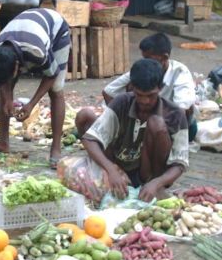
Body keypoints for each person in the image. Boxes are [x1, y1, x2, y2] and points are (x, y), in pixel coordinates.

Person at [70, 59, 188, 202]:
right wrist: (111, 170)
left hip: (148, 173)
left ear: (161, 88)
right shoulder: (122, 102)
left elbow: (180, 164)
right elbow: (90, 139)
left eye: (150, 95)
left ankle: (151, 186)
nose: (145, 101)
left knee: (156, 123)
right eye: (139, 95)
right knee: (85, 115)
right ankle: (119, 178)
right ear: (131, 88)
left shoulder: (175, 114)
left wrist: (157, 183)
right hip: (119, 164)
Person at [0, 8, 71, 166]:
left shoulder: (36, 51)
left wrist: (31, 104)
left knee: (56, 90)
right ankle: (3, 142)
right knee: (4, 88)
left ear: (17, 67)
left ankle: (56, 149)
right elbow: (3, 81)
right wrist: (8, 99)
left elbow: (52, 74)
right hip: (24, 33)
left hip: (57, 31)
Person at [102, 33, 197, 141]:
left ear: (164, 58)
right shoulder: (145, 68)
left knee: (187, 108)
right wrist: (120, 121)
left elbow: (181, 110)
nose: (146, 62)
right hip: (145, 122)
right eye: (144, 59)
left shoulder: (180, 72)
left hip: (176, 125)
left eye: (149, 59)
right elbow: (108, 91)